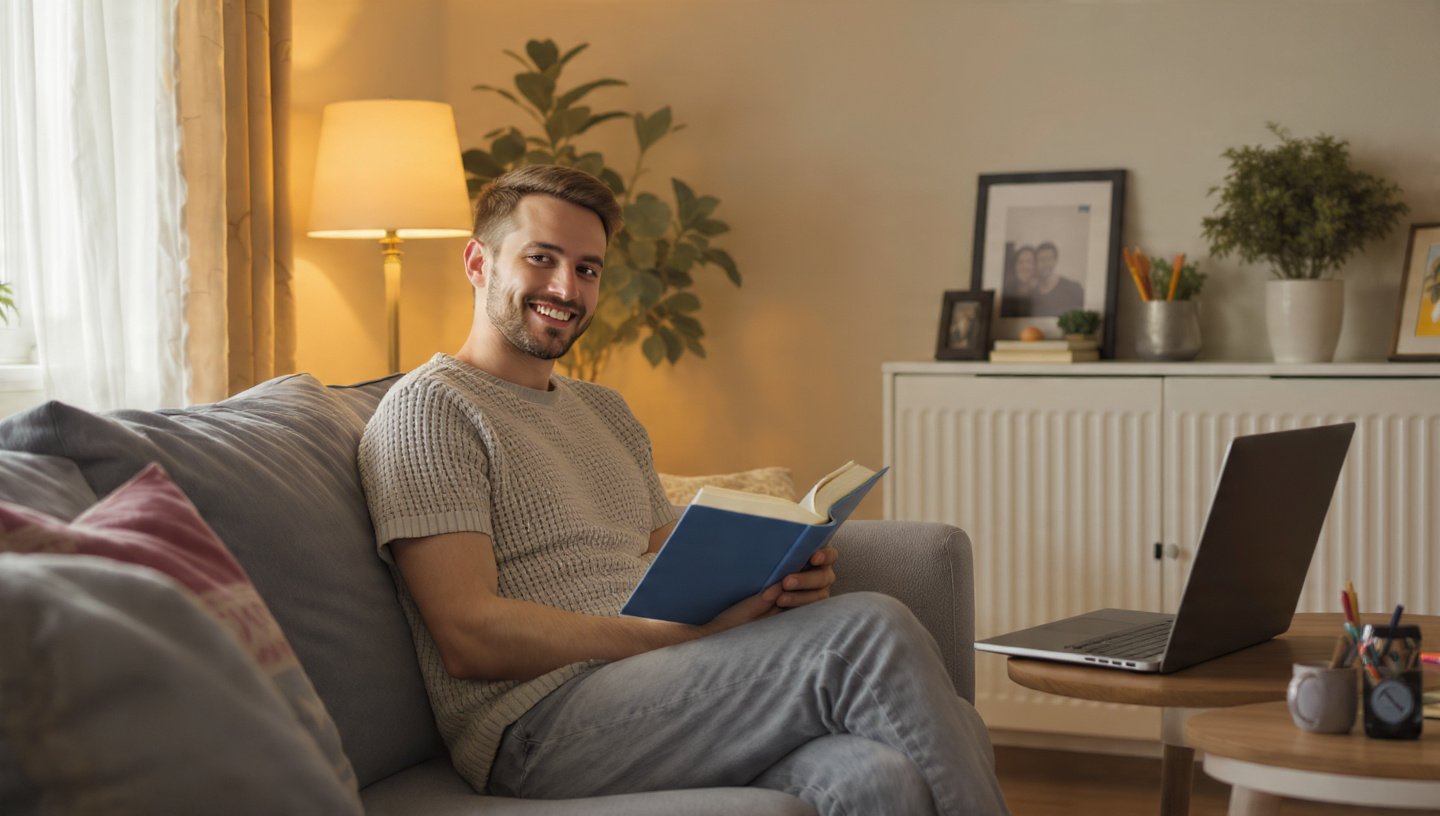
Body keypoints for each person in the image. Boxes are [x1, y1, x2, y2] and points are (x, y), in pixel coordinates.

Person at [357, 164, 1009, 815]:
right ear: (478, 262)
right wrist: (675, 638)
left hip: (664, 693)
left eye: (588, 269)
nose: (566, 287)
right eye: (542, 258)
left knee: (876, 775)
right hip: (538, 727)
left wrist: (785, 575)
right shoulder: (430, 409)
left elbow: (676, 557)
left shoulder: (604, 411)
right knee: (868, 630)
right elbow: (469, 636)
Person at [1028, 242, 1084, 316]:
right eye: (1041, 260)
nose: (1045, 264)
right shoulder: (1032, 293)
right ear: (1036, 263)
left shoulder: (1073, 288)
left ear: (1055, 260)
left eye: (1049, 259)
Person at [999, 244, 1037, 317]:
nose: (1024, 267)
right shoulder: (1008, 293)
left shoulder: (1041, 291)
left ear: (1036, 265)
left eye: (1029, 262)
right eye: (1020, 262)